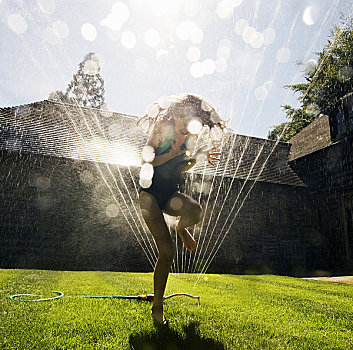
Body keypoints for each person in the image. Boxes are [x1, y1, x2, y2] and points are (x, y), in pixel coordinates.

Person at [138, 93, 227, 325]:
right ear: (178, 114)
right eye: (185, 122)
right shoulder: (161, 128)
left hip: (169, 194)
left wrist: (196, 157)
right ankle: (157, 309)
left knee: (196, 211)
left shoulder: (190, 136)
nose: (188, 129)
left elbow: (180, 168)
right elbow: (146, 163)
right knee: (167, 252)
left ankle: (181, 227)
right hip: (149, 196)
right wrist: (173, 153)